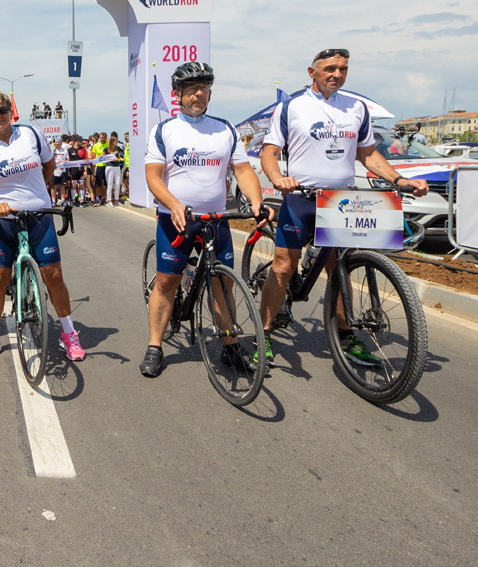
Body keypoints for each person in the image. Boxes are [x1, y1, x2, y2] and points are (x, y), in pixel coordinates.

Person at [257, 48, 428, 368]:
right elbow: (270, 152)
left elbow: (368, 154)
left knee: (340, 267)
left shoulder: (356, 107)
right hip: (302, 198)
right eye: (330, 68)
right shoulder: (292, 105)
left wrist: (399, 178)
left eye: (343, 69)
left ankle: (347, 335)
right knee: (282, 268)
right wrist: (278, 177)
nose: (337, 74)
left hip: (340, 201)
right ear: (312, 72)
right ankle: (263, 334)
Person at [139, 62, 272, 378]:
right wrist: (173, 204)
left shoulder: (224, 129)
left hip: (215, 220)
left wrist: (256, 201)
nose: (198, 94)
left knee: (223, 282)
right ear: (179, 95)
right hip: (177, 219)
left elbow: (242, 170)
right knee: (167, 281)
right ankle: (155, 346)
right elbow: (153, 176)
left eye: (204, 88)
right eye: (191, 89)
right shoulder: (164, 130)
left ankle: (230, 347)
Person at [0, 91, 84, 362]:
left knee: (53, 276)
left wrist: (39, 193)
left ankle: (69, 334)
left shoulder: (30, 134)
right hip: (3, 220)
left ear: (11, 112)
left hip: (38, 217)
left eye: (3, 110)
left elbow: (49, 164)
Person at [104, 131, 124, 206]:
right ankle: (109, 200)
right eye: (115, 141)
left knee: (118, 184)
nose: (116, 142)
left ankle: (116, 200)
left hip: (117, 167)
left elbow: (121, 158)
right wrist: (109, 158)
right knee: (110, 184)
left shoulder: (118, 148)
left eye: (117, 141)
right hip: (109, 167)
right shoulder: (107, 149)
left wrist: (117, 159)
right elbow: (101, 157)